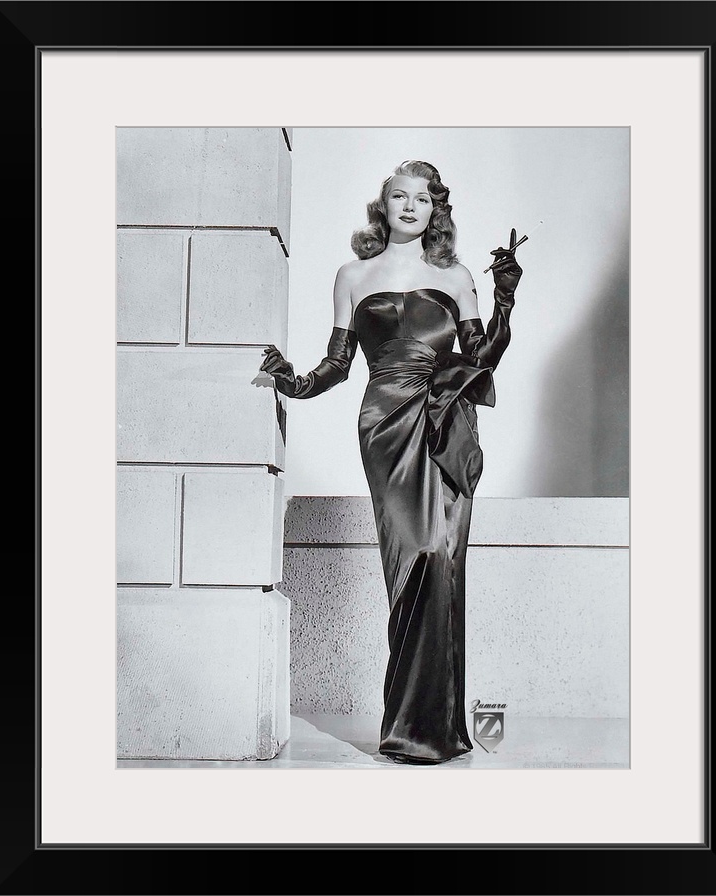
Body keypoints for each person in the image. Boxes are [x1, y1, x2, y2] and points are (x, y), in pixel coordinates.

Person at [261, 160, 522, 764]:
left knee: (442, 559)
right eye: (399, 196)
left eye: (422, 198)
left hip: (443, 421)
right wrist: (293, 383)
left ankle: (430, 727)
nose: (410, 206)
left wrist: (505, 300)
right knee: (413, 557)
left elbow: (482, 356)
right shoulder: (352, 275)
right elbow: (337, 365)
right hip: (384, 424)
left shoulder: (456, 277)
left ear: (436, 210)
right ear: (383, 206)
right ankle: (410, 727)